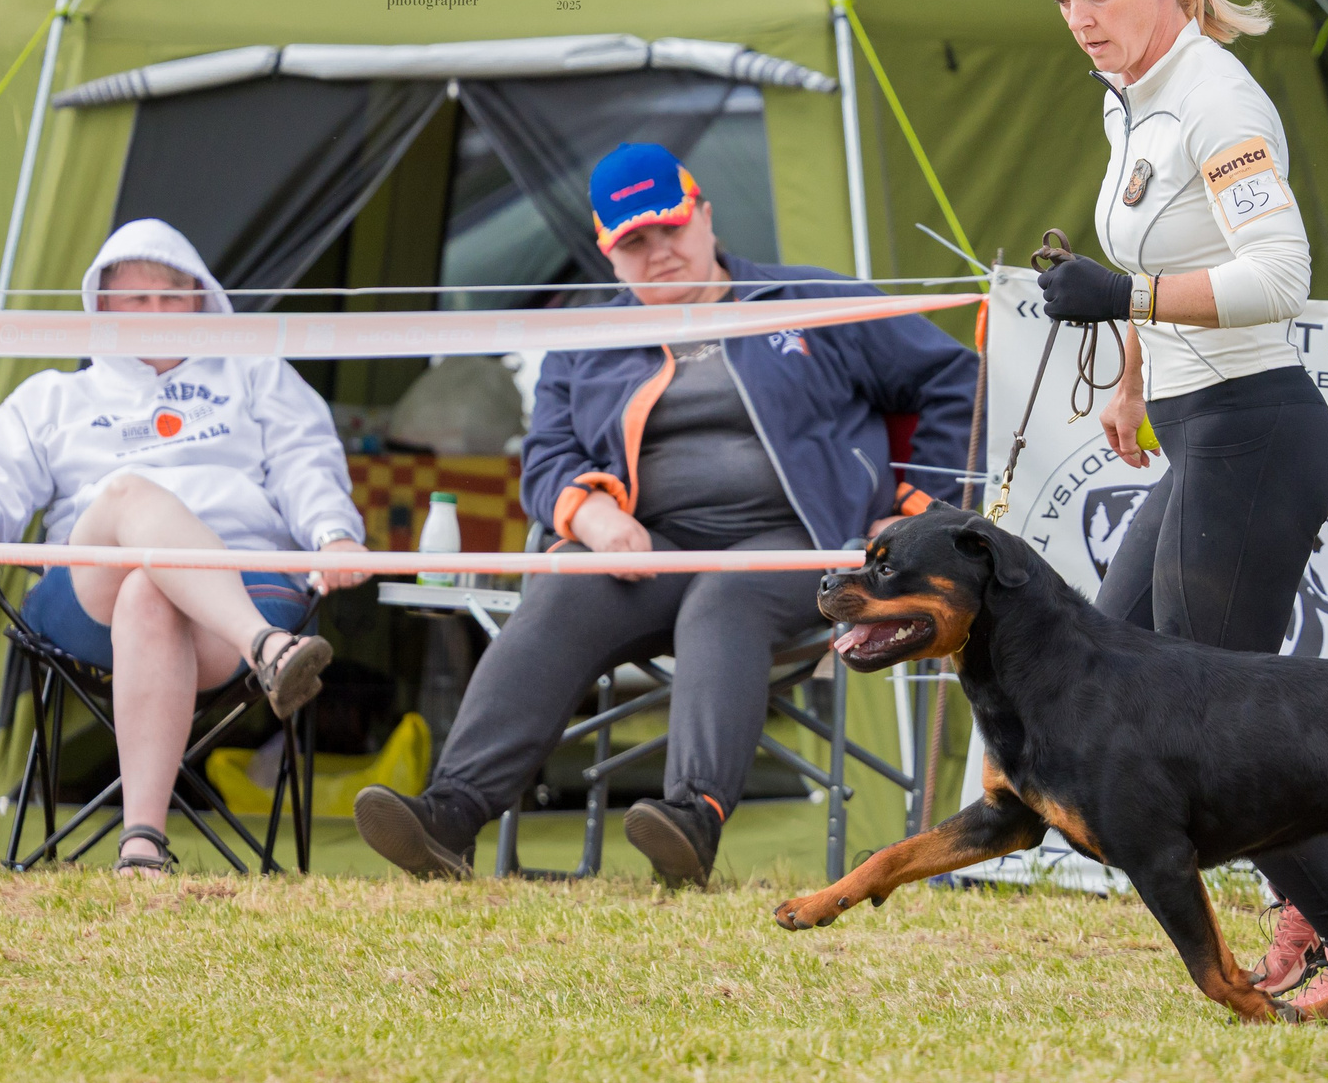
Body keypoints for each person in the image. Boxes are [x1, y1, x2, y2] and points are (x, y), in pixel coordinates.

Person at [1029, 0, 1328, 1022]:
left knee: (1215, 733)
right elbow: (1162, 266)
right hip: (1204, 429)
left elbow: (1279, 279)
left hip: (1260, 433)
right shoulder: (1131, 91)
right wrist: (1130, 373)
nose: (1080, 18)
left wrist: (1129, 294)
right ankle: (1316, 924)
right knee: (1112, 661)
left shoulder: (1215, 98)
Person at [354, 145, 977, 887]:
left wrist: (915, 513)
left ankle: (691, 819)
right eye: (633, 243)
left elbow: (956, 379)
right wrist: (587, 517)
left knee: (727, 595)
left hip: (805, 547)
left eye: (671, 229)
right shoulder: (585, 341)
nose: (658, 254)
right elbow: (545, 455)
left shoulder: (810, 300)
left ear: (707, 216)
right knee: (564, 584)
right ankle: (449, 815)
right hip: (650, 551)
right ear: (607, 255)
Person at [0, 220, 369, 873]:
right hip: (91, 599)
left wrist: (334, 535)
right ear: (102, 308)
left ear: (202, 299)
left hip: (240, 581)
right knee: (129, 496)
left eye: (172, 296)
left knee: (149, 587)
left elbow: (308, 463)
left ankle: (141, 845)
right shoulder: (52, 397)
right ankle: (271, 653)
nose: (157, 313)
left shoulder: (257, 375)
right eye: (137, 300)